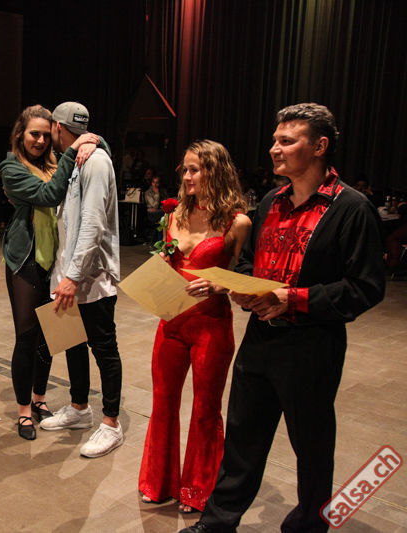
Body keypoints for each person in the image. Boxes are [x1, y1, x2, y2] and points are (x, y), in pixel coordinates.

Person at [182, 103, 386, 533]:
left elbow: (366, 287)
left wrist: (292, 298)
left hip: (312, 345)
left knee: (311, 446)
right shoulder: (270, 202)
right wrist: (240, 287)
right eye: (275, 140)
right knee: (242, 437)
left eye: (287, 141)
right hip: (260, 339)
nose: (274, 149)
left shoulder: (352, 207)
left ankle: (309, 524)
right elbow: (247, 263)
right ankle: (217, 522)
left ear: (319, 147)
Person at [138, 140, 251, 514]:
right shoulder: (173, 214)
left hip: (211, 326)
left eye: (194, 170)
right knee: (162, 402)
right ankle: (158, 482)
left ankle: (199, 489)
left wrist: (219, 284)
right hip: (171, 320)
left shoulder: (237, 223)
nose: (186, 177)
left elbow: (246, 276)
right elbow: (168, 262)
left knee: (205, 408)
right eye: (184, 170)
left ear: (215, 172)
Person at [0, 104, 100, 440]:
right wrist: (73, 150)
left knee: (50, 336)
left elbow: (99, 152)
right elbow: (49, 193)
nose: (40, 141)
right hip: (26, 260)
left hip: (57, 260)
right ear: (20, 135)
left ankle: (40, 398)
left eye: (45, 134)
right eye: (34, 134)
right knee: (27, 336)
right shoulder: (11, 168)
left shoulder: (55, 163)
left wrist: (95, 141)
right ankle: (24, 411)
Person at [34, 102, 123, 459]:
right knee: (71, 343)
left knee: (104, 349)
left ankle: (111, 423)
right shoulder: (74, 159)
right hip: (67, 274)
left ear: (58, 127)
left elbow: (93, 222)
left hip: (91, 277)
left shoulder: (96, 161)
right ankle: (79, 408)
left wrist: (73, 276)